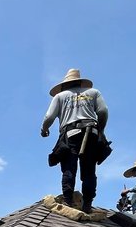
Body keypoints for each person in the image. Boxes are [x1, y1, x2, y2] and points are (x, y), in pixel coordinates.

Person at [41, 68, 110, 214]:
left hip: (70, 133)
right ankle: (87, 204)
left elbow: (49, 117)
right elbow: (103, 111)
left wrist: (44, 129)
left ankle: (68, 200)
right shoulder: (93, 93)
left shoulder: (60, 96)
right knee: (89, 170)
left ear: (65, 84)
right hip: (91, 132)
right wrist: (101, 132)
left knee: (69, 167)